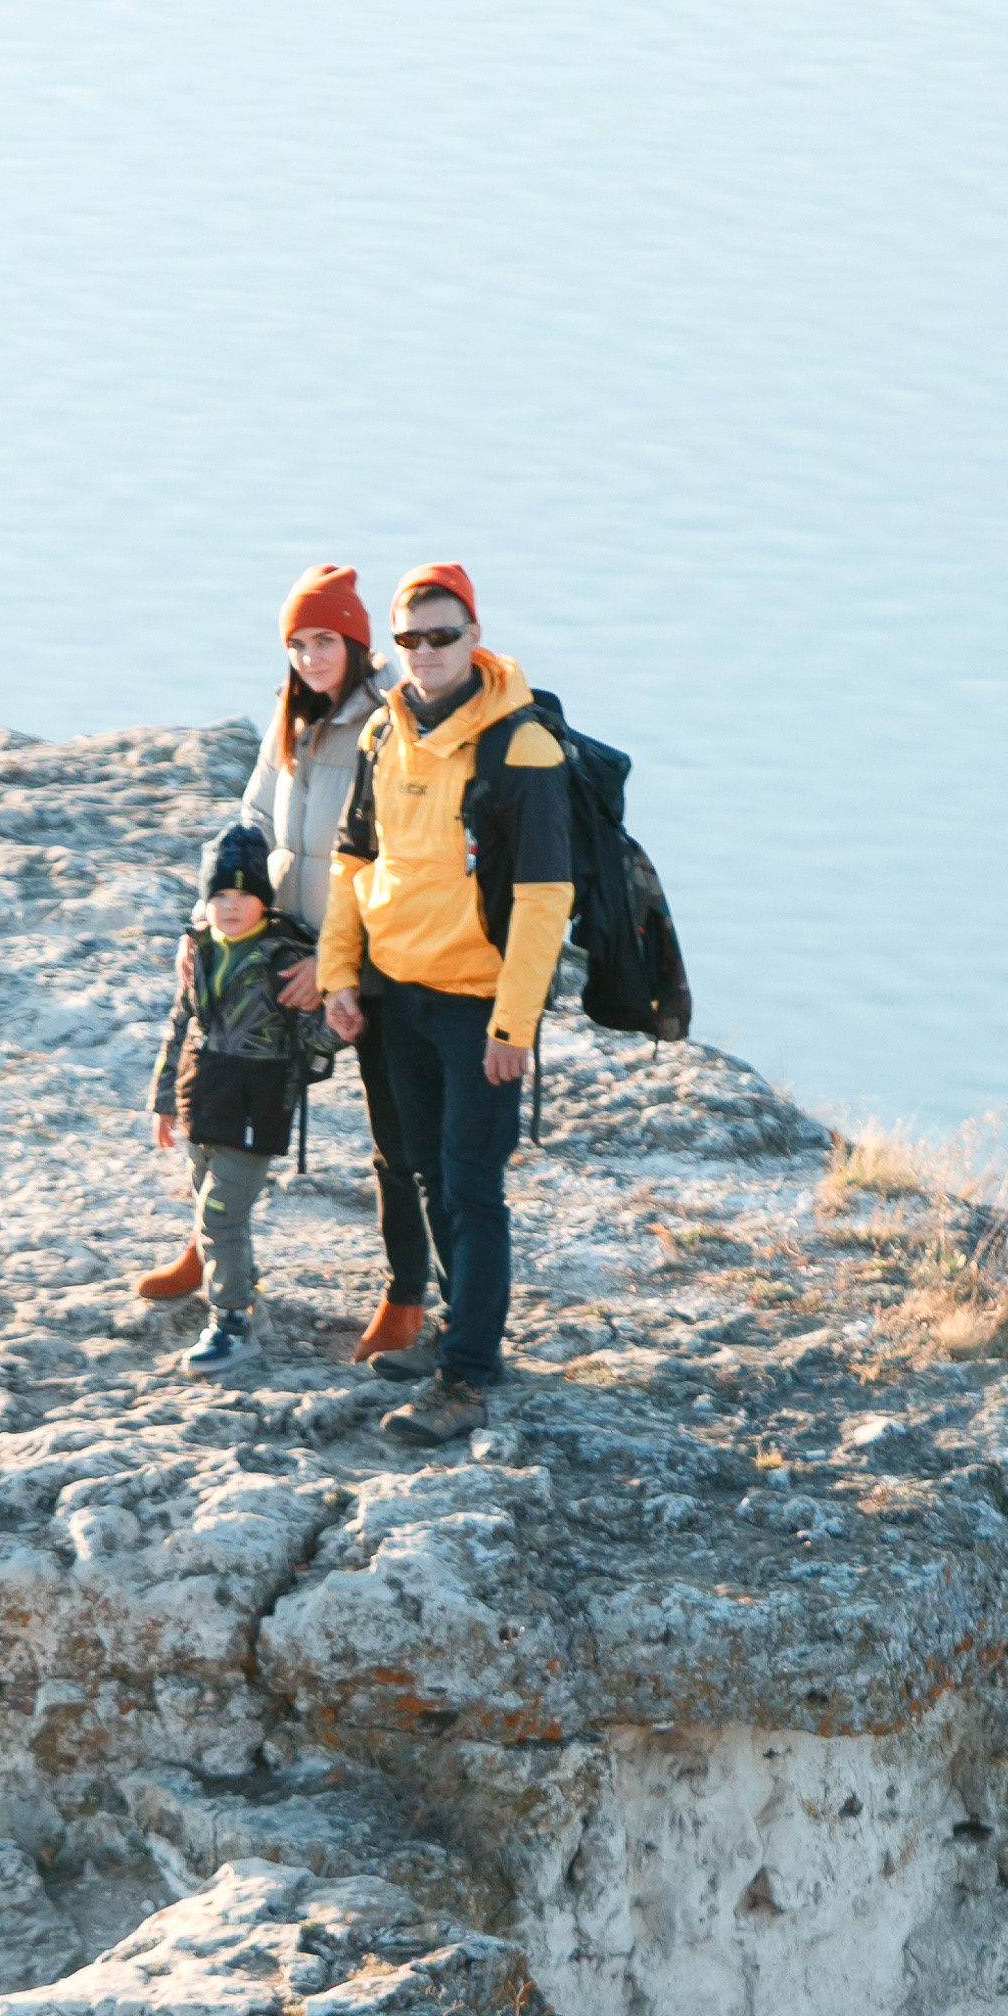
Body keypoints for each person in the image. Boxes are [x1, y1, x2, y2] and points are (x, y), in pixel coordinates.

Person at [136, 564, 427, 1361]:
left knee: (394, 1141)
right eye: (297, 643)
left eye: (324, 640)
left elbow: (397, 860)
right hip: (275, 951)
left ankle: (405, 1299)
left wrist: (343, 970)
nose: (309, 657)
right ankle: (210, 1248)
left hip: (364, 964)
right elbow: (250, 825)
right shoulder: (287, 720)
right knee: (217, 1097)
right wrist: (209, 927)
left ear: (357, 642)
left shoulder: (389, 725)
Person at [319, 563, 572, 1447]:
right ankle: (465, 1337)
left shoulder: (520, 745)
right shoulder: (382, 734)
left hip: (474, 1005)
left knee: (471, 1187)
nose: (425, 654)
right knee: (423, 1169)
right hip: (395, 994)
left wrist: (513, 1026)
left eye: (443, 636)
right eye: (410, 639)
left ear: (474, 637)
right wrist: (339, 975)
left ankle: (465, 1378)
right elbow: (354, 862)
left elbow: (544, 896)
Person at [146, 820, 334, 1374]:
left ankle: (231, 1324)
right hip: (202, 1102)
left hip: (257, 1107)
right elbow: (181, 1023)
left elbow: (321, 1039)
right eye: (219, 896)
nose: (230, 907)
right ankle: (250, 1305)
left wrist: (340, 1015)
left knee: (220, 1217)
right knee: (214, 1210)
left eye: (244, 895)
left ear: (263, 901)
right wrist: (163, 1100)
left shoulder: (284, 958)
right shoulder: (202, 949)